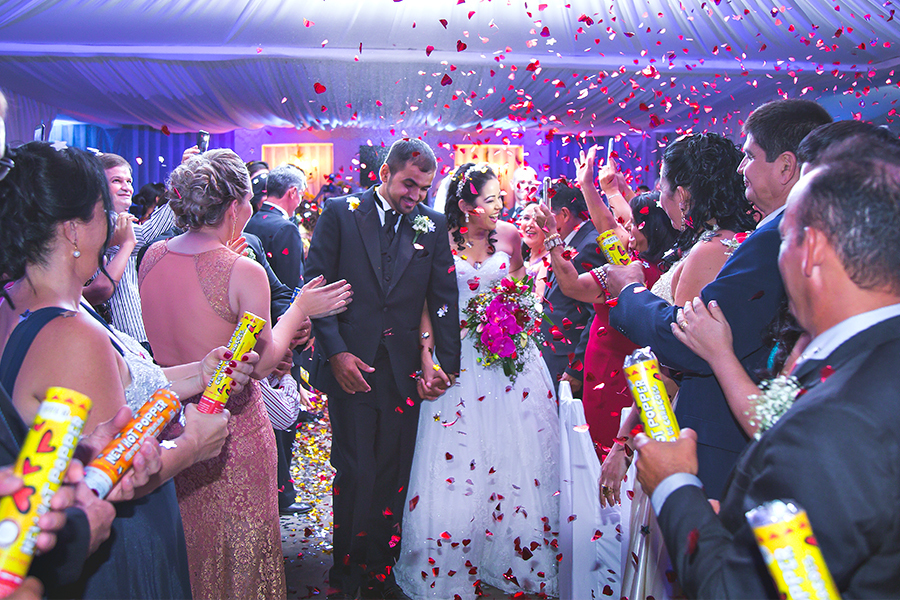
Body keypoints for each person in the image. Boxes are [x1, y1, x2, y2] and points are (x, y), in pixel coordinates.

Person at [0, 141, 260, 599]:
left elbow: (127, 388)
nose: (116, 226)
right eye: (105, 211)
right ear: (74, 230)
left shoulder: (22, 299)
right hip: (118, 546)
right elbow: (114, 475)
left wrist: (200, 373)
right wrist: (194, 444)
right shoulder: (72, 335)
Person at [635, 155, 900, 598]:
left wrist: (673, 484)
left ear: (810, 249)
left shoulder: (833, 423)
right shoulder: (869, 358)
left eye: (783, 240)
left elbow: (738, 591)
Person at [138, 148, 351, 599]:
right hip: (233, 430)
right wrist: (300, 308)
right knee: (241, 553)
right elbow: (266, 361)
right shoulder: (243, 270)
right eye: (249, 200)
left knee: (191, 548)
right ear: (235, 207)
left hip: (173, 420)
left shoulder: (152, 256)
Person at [604, 99, 832, 498]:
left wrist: (630, 292)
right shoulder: (762, 234)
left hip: (721, 437)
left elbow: (689, 344)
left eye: (750, 156)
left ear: (785, 166)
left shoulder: (769, 240)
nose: (742, 168)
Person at [395, 162, 560, 600]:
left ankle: (508, 555)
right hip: (460, 356)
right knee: (459, 456)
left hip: (509, 357)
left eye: (498, 198)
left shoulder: (508, 237)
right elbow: (427, 304)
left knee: (512, 455)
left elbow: (521, 286)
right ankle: (453, 558)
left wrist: (515, 317)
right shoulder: (438, 239)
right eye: (488, 200)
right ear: (465, 205)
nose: (498, 206)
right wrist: (428, 354)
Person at [304, 139, 460, 599]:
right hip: (350, 364)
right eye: (409, 184)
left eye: (424, 189)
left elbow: (443, 297)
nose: (415, 196)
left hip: (403, 371)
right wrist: (335, 352)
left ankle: (379, 565)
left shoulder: (431, 225)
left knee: (394, 471)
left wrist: (443, 365)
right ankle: (345, 570)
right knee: (355, 469)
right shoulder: (339, 211)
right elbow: (315, 287)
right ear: (385, 172)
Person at [244, 163, 313, 516]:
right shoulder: (284, 228)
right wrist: (293, 342)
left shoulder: (250, 225)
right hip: (277, 339)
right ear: (293, 194)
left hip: (246, 339)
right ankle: (282, 493)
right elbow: (287, 293)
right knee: (283, 419)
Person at [536, 180, 605, 395]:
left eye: (544, 214)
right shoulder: (572, 240)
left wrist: (577, 368)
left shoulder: (590, 245)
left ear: (564, 215)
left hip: (568, 358)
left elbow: (598, 313)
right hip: (555, 353)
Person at [245, 164, 308, 290]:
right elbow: (292, 282)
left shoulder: (251, 221)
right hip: (280, 305)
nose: (299, 201)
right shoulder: (286, 228)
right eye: (300, 195)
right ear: (292, 192)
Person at [518, 201, 550, 298]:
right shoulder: (520, 253)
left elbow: (539, 300)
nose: (530, 224)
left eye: (537, 220)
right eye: (526, 218)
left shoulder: (549, 260)